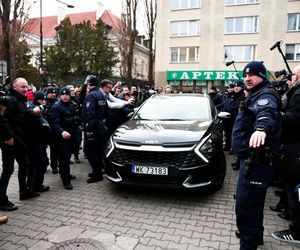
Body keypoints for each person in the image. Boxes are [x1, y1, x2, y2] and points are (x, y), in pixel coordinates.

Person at [232, 61, 282, 249]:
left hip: (257, 161)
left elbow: (266, 112)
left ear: (262, 76)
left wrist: (261, 128)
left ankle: (248, 245)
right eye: (245, 75)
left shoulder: (265, 95)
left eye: (251, 75)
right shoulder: (255, 94)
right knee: (253, 203)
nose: (247, 78)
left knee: (246, 207)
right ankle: (255, 237)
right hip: (252, 160)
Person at [0, 78, 41, 210]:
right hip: (10, 141)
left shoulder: (20, 99)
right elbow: (2, 119)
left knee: (24, 164)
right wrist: (8, 137)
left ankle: (24, 191)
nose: (25, 89)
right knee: (8, 170)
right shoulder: (11, 100)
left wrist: (32, 113)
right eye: (22, 86)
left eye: (26, 87)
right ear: (14, 87)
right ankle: (1, 200)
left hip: (20, 140)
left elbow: (21, 115)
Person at [272, 65, 300, 244]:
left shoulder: (298, 94)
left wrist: (278, 115)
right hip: (294, 148)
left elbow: (294, 120)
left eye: (293, 75)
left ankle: (296, 232)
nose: (290, 78)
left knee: (296, 191)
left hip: (295, 150)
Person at [49, 87, 77, 190]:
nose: (65, 96)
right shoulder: (56, 107)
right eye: (63, 94)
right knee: (64, 159)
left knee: (68, 155)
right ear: (60, 95)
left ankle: (66, 174)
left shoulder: (71, 105)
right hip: (61, 137)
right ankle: (66, 181)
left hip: (71, 135)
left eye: (67, 95)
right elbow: (54, 123)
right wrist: (62, 131)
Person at [27, 91, 50, 193]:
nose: (44, 101)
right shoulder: (34, 108)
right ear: (37, 99)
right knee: (39, 164)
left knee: (36, 164)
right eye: (42, 99)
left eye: (45, 99)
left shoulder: (39, 107)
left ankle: (33, 185)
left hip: (39, 140)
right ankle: (36, 186)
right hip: (35, 141)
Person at [44, 86, 59, 174]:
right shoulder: (44, 102)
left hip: (54, 130)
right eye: (51, 93)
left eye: (54, 93)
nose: (53, 94)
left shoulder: (57, 102)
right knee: (43, 149)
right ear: (47, 94)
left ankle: (54, 166)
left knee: (54, 149)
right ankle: (45, 163)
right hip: (45, 130)